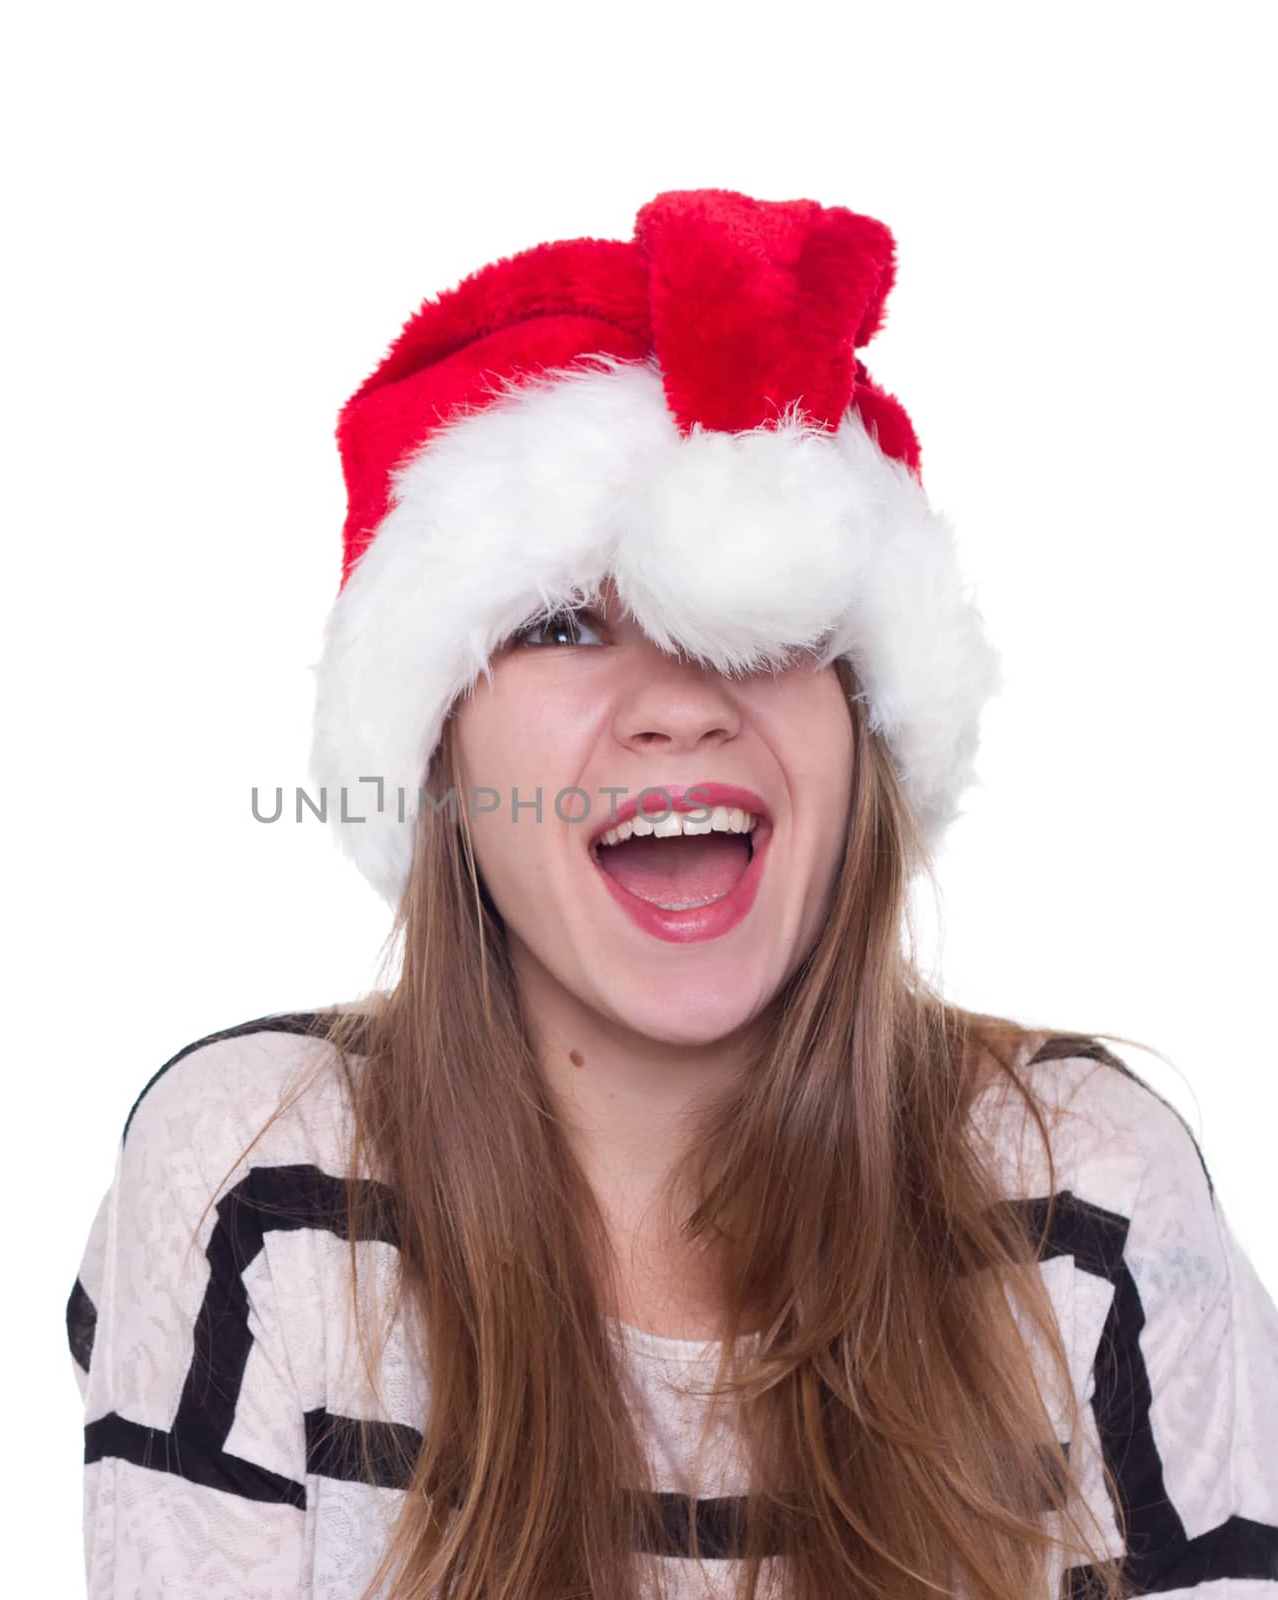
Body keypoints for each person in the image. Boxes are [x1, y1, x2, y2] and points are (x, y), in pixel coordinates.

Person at [65, 188, 1278, 1600]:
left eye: (755, 623)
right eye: (565, 623)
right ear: (439, 748)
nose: (678, 709)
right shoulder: (255, 1190)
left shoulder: (1091, 1194)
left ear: (861, 723)